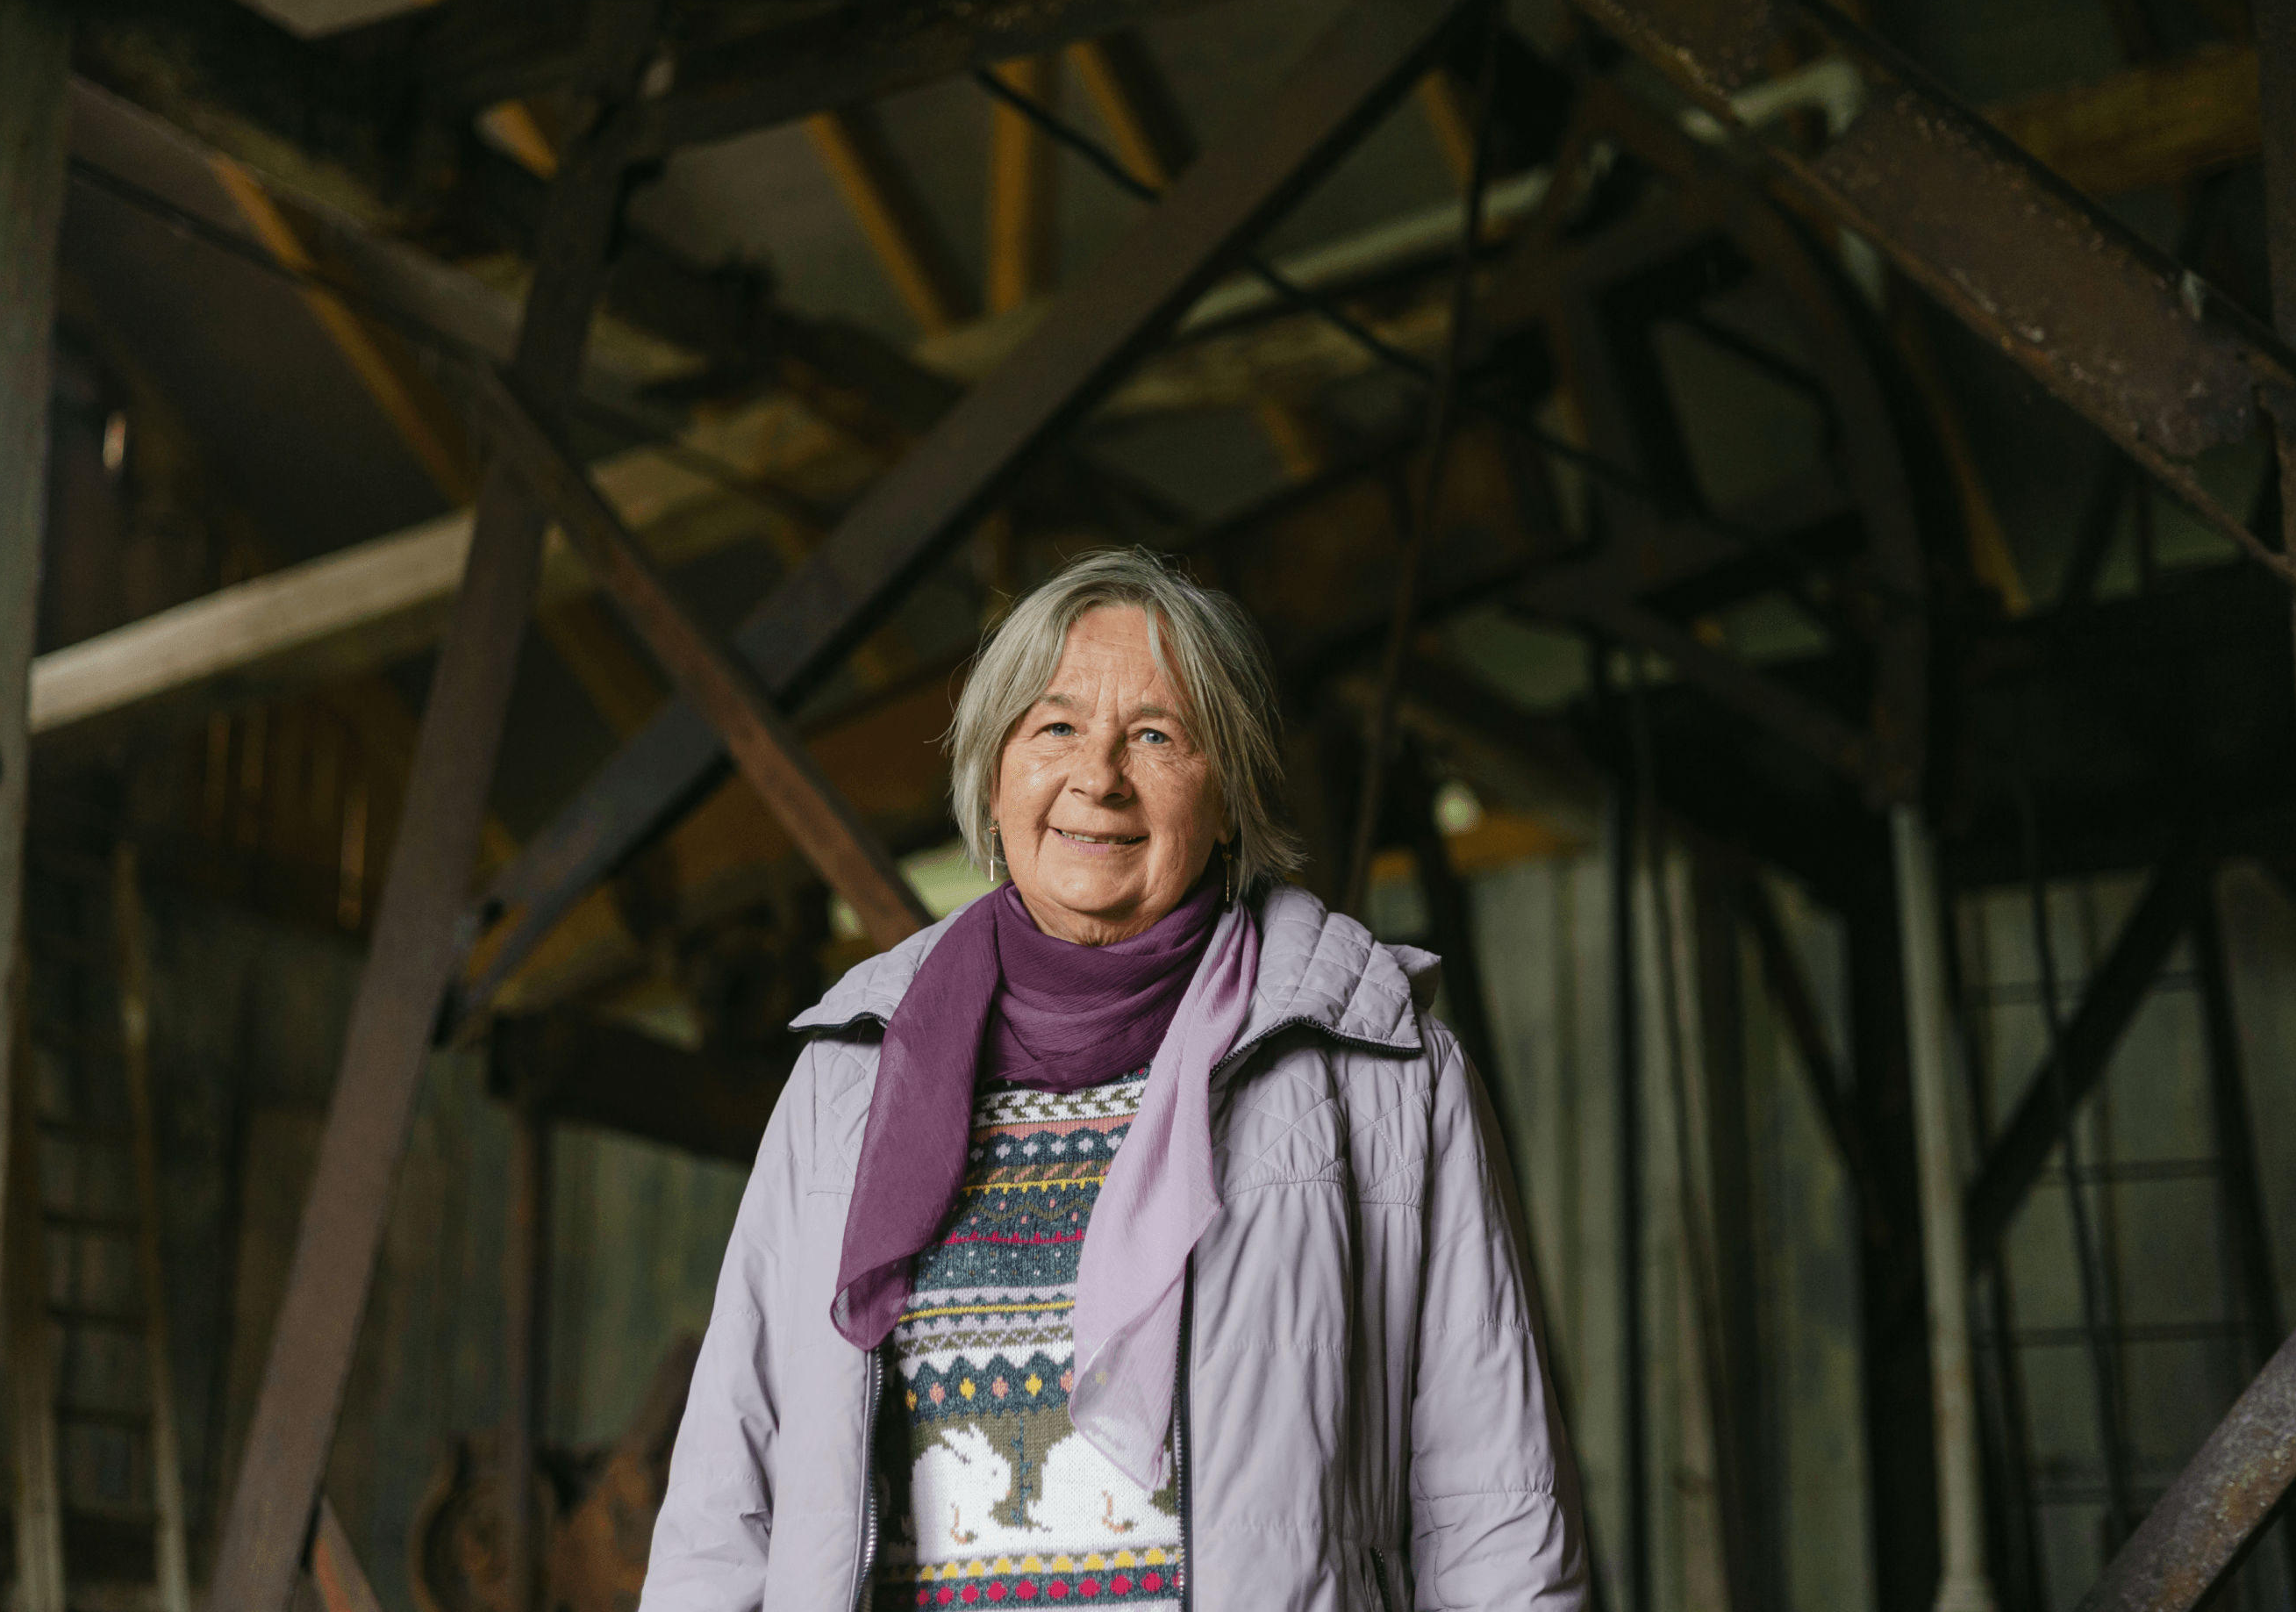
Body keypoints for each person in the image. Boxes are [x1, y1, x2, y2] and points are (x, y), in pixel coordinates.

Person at [640, 548, 1590, 1612]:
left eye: (1155, 734)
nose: (1099, 776)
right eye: (1054, 728)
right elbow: (724, 1499)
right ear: (994, 779)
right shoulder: (850, 1076)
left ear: (1227, 796)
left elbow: (1495, 1502)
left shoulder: (1377, 1073)